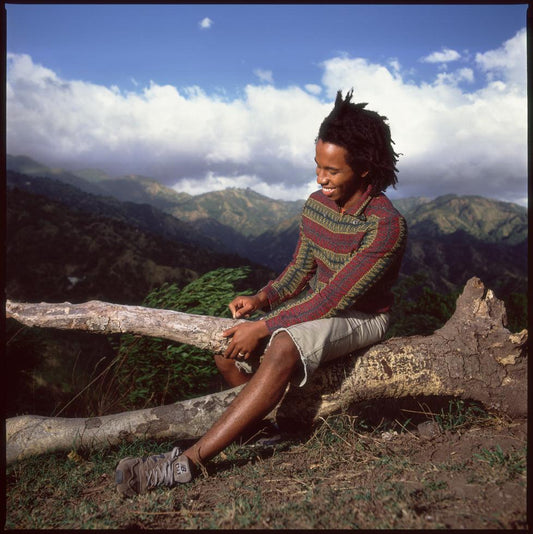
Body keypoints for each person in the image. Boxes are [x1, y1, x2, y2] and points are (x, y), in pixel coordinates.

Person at [115, 89, 407, 497]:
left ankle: (187, 463)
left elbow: (334, 300)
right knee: (226, 344)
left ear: (364, 170)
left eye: (333, 171)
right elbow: (301, 270)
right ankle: (263, 430)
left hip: (362, 316)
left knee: (283, 344)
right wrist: (262, 299)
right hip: (319, 306)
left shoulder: (385, 225)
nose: (321, 179)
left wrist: (266, 326)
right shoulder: (315, 205)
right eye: (318, 167)